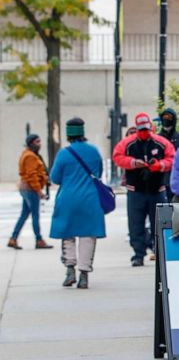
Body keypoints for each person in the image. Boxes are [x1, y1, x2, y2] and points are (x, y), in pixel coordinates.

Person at [49, 118, 107, 289]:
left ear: (69, 134)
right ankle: (84, 274)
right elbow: (99, 173)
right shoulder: (94, 151)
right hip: (90, 199)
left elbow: (55, 178)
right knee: (88, 236)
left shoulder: (64, 153)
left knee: (68, 234)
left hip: (68, 199)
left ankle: (69, 270)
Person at [112, 112, 175, 266]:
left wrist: (159, 165)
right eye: (141, 130)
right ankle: (138, 254)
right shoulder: (127, 143)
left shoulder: (161, 142)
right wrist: (133, 163)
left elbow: (172, 158)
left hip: (157, 189)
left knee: (159, 223)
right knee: (135, 224)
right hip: (136, 190)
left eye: (146, 129)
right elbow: (117, 157)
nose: (144, 133)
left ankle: (159, 251)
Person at [9, 134, 53, 250]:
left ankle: (13, 238)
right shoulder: (30, 156)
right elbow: (32, 175)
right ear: (31, 143)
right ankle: (39, 240)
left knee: (24, 214)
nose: (40, 144)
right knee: (35, 215)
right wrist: (39, 191)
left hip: (26, 188)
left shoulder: (28, 154)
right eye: (37, 142)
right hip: (30, 189)